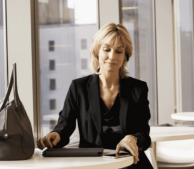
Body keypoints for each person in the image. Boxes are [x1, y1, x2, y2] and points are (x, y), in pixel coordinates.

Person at [37, 23, 153, 169]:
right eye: (107, 49)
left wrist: (134, 138)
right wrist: (56, 135)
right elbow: (64, 128)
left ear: (126, 55)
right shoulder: (78, 87)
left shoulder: (138, 89)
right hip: (93, 164)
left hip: (130, 163)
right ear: (97, 51)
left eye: (119, 51)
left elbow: (144, 135)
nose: (112, 56)